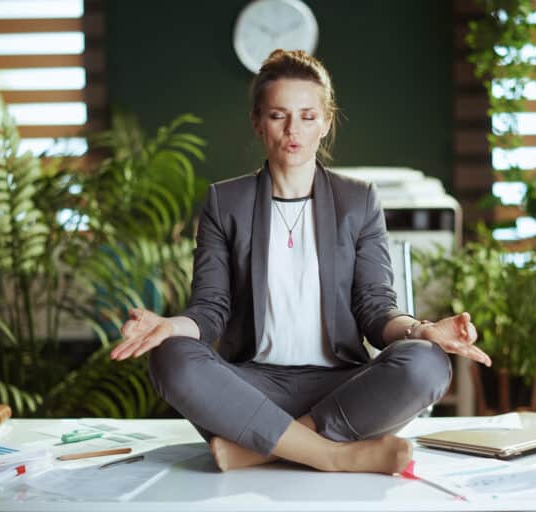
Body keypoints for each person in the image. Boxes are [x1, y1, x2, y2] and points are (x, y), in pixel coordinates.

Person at [110, 49, 491, 475]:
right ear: (258, 122)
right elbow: (210, 310)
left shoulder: (358, 201)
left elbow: (374, 308)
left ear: (326, 122)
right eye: (278, 115)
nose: (293, 129)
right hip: (252, 389)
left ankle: (259, 449)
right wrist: (169, 327)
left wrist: (423, 330)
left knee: (427, 363)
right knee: (171, 357)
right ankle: (335, 454)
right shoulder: (226, 202)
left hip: (341, 387)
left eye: (308, 116)